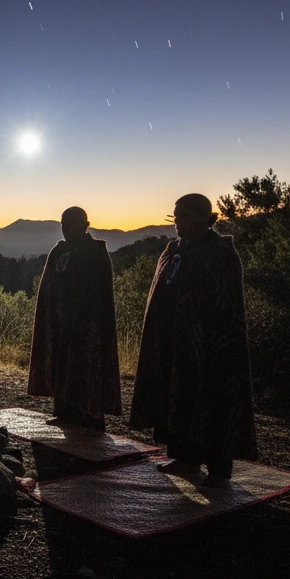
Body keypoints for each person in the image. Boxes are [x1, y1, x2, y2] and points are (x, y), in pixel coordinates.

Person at [131, 193, 257, 486]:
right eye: (175, 216)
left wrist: (212, 341)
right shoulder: (173, 250)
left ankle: (218, 466)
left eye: (185, 216)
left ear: (204, 218)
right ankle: (183, 457)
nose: (178, 222)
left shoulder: (220, 253)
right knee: (178, 396)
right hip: (174, 342)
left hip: (211, 345)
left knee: (211, 401)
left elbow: (227, 304)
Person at [27, 206, 122, 430]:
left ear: (85, 225)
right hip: (58, 325)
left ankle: (90, 416)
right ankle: (63, 413)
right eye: (63, 224)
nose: (65, 228)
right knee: (60, 366)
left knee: (86, 370)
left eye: (70, 223)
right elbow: (48, 287)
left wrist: (87, 322)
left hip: (87, 326)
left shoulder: (95, 252)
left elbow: (100, 293)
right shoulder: (59, 251)